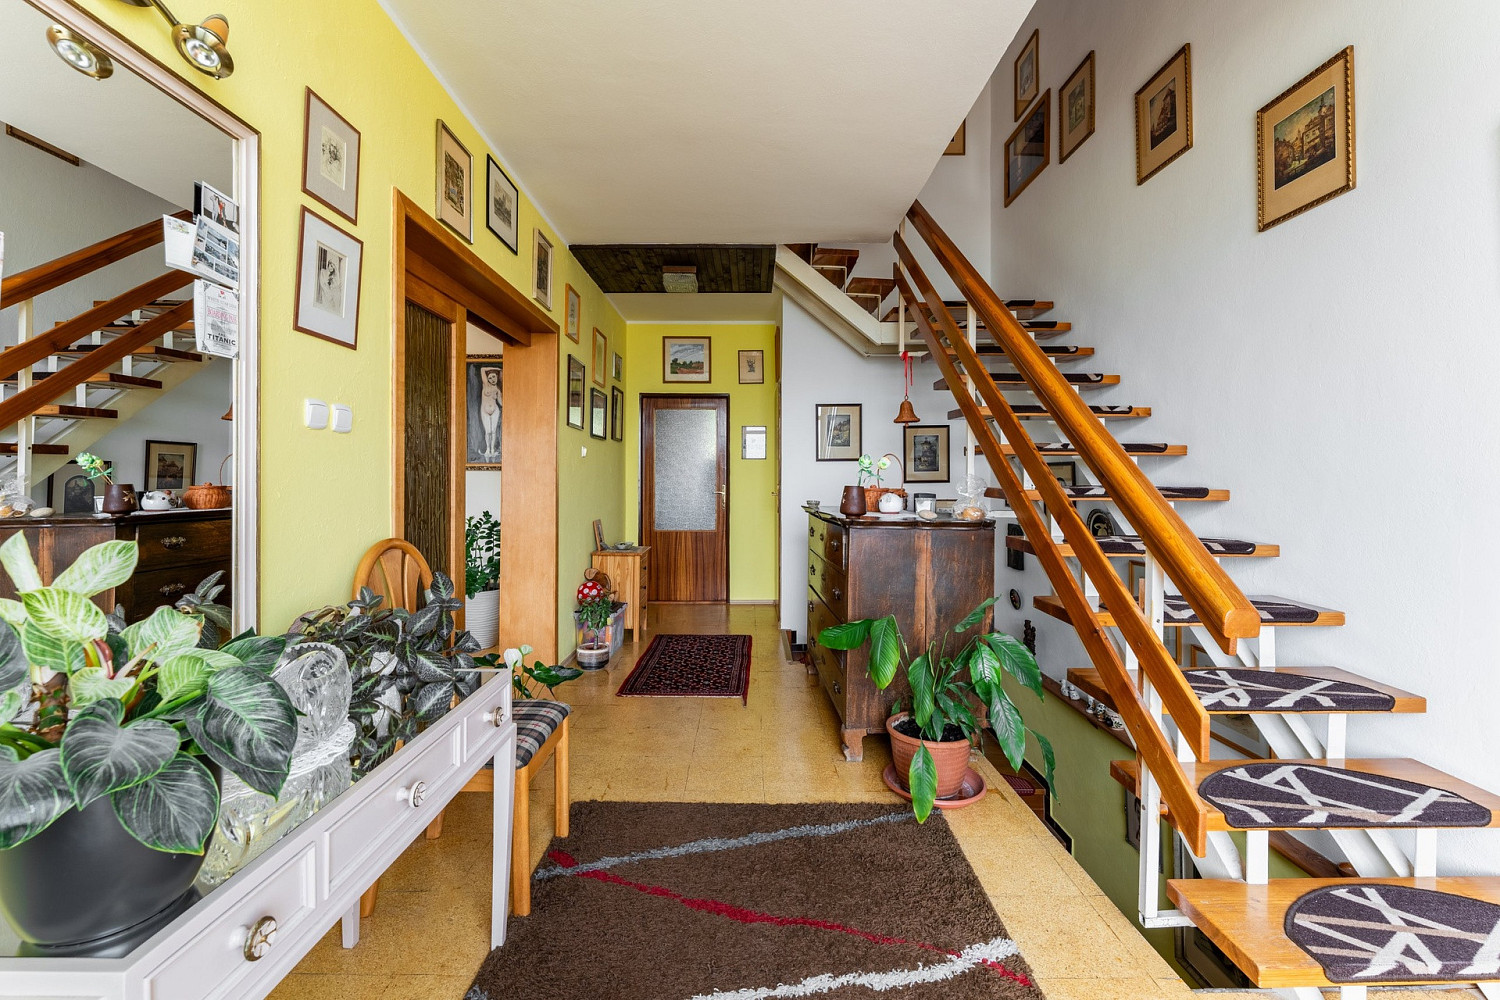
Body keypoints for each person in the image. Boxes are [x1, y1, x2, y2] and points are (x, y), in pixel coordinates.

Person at [479, 367, 501, 460]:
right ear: (487, 379)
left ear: (497, 376)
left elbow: (501, 403)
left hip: (495, 411)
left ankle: (492, 450)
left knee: (493, 431)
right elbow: (482, 369)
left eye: (494, 376)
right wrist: (497, 368)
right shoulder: (486, 385)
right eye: (490, 378)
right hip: (485, 411)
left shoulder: (497, 390)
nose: (492, 379)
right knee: (488, 431)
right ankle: (488, 450)